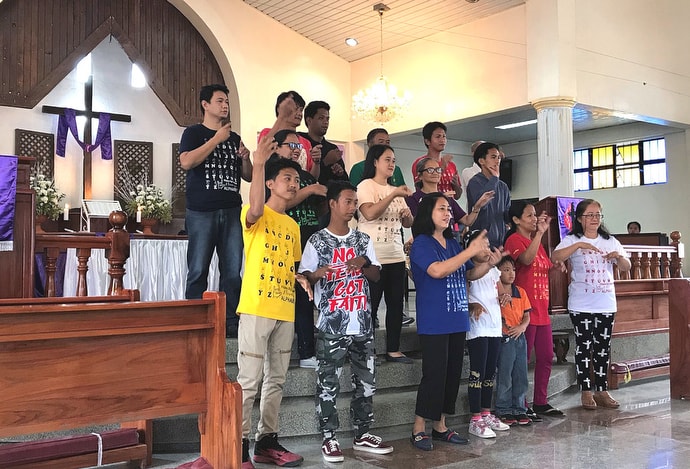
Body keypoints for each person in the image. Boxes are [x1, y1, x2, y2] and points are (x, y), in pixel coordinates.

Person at [299, 181, 394, 463]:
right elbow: (304, 279)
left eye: (355, 203)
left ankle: (362, 434)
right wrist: (318, 274)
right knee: (328, 383)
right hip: (331, 325)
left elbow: (376, 276)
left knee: (366, 383)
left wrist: (363, 261)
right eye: (349, 202)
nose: (353, 207)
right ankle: (329, 438)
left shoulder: (362, 240)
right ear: (333, 203)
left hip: (362, 322)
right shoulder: (317, 240)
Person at [236, 125, 312, 468]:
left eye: (296, 180)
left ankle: (266, 441)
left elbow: (290, 265)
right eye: (286, 178)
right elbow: (253, 209)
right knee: (248, 381)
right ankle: (237, 444)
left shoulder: (293, 226)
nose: (293, 184)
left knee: (277, 379)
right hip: (256, 306)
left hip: (286, 307)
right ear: (269, 182)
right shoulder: (256, 213)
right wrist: (259, 163)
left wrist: (302, 278)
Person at [408, 193, 495, 451]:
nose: (447, 214)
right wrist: (470, 249)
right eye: (441, 209)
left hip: (457, 319)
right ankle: (419, 427)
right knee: (433, 375)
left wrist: (491, 263)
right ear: (428, 214)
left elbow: (468, 272)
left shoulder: (452, 243)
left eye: (448, 209)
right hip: (435, 320)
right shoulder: (422, 244)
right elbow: (437, 270)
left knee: (452, 375)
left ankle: (441, 426)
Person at [179, 83, 252, 338]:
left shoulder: (234, 138)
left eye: (227, 102)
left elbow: (249, 176)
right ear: (205, 104)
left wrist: (245, 158)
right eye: (220, 101)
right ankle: (194, 320)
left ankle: (231, 322)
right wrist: (216, 139)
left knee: (232, 270)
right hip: (201, 212)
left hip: (231, 210)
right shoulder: (193, 133)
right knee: (198, 268)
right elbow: (187, 162)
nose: (225, 106)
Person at [551, 199, 631, 411]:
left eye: (598, 215)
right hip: (582, 303)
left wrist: (619, 257)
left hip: (606, 303)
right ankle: (586, 391)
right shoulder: (572, 238)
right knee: (584, 347)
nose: (595, 219)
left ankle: (602, 390)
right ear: (579, 218)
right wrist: (578, 245)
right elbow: (555, 256)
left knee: (602, 349)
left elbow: (626, 266)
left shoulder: (610, 240)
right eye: (590, 215)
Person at [271, 129, 327, 369]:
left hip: (309, 239)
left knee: (309, 295)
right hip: (284, 242)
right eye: (290, 145)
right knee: (293, 295)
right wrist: (309, 190)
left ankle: (310, 349)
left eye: (298, 147)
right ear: (276, 147)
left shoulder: (304, 174)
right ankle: (302, 352)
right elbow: (281, 204)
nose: (295, 150)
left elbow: (318, 207)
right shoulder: (272, 173)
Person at [504, 201, 564, 418]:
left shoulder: (534, 241)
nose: (534, 219)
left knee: (547, 356)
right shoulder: (515, 239)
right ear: (516, 220)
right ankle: (521, 403)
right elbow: (527, 260)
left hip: (541, 307)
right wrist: (539, 234)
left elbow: (545, 265)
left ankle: (541, 401)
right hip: (524, 309)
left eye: (535, 215)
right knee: (522, 360)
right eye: (529, 215)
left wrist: (557, 265)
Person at [357, 144, 414, 363]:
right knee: (370, 304)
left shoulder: (395, 189)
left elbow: (407, 223)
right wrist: (393, 195)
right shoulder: (365, 186)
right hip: (372, 256)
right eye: (387, 160)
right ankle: (366, 350)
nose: (391, 164)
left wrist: (407, 215)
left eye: (393, 160)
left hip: (396, 254)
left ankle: (393, 348)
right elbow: (369, 213)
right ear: (375, 162)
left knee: (395, 304)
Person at [463, 229, 511, 439]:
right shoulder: (468, 267)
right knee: (478, 373)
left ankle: (486, 413)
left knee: (490, 372)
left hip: (493, 327)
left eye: (487, 244)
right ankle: (475, 419)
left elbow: (501, 291)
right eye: (481, 244)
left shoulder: (493, 271)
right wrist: (472, 305)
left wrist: (504, 297)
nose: (486, 248)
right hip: (478, 328)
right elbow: (463, 293)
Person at [406, 157, 493, 232]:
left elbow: (467, 221)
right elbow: (416, 225)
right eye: (430, 170)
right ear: (420, 175)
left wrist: (477, 207)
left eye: (438, 169)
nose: (435, 173)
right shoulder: (413, 198)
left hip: (448, 242)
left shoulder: (446, 198)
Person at [494, 255, 532, 427]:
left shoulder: (520, 292)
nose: (511, 274)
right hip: (505, 338)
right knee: (505, 375)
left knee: (520, 374)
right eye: (506, 270)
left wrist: (522, 327)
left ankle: (519, 408)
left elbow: (527, 315)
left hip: (520, 337)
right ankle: (503, 409)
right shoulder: (495, 292)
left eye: (513, 270)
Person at [258, 91, 321, 179]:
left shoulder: (306, 143)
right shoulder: (267, 133)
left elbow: (311, 177)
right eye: (295, 109)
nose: (299, 113)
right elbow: (263, 152)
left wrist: (316, 162)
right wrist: (282, 116)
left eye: (301, 110)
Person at [466, 142, 511, 249]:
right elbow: (483, 204)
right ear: (481, 161)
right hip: (481, 242)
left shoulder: (503, 186)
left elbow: (507, 213)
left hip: (500, 242)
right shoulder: (474, 182)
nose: (497, 161)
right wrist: (495, 178)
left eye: (499, 157)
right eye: (493, 157)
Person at [299, 100, 349, 185]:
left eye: (327, 118)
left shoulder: (332, 148)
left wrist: (340, 173)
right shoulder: (300, 141)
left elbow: (345, 182)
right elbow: (303, 176)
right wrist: (325, 162)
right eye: (321, 118)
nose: (326, 122)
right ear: (309, 120)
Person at [409, 122, 462, 200]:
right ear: (427, 141)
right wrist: (442, 168)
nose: (442, 140)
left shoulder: (451, 165)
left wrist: (456, 184)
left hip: (450, 208)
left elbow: (457, 196)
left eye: (444, 136)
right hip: (431, 208)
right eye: (438, 136)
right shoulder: (420, 163)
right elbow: (420, 192)